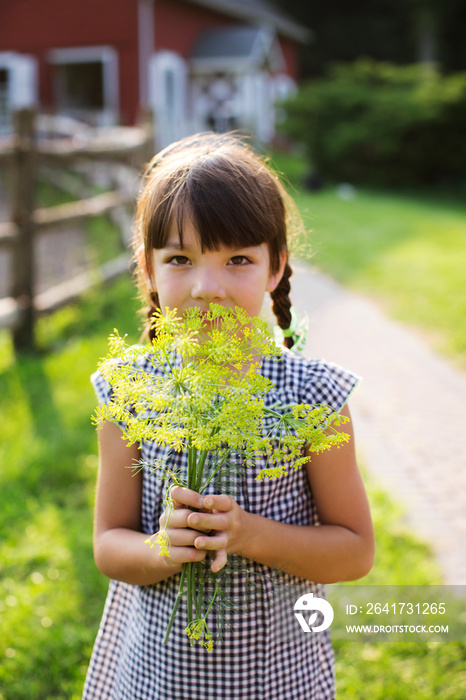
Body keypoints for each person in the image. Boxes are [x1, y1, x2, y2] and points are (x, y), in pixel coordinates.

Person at [83, 133, 374, 700]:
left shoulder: (314, 398)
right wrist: (162, 547)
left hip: (277, 678)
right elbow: (108, 544)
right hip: (155, 677)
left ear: (275, 267)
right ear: (148, 270)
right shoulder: (129, 392)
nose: (207, 287)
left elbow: (355, 551)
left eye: (237, 259)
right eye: (180, 260)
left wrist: (249, 534)